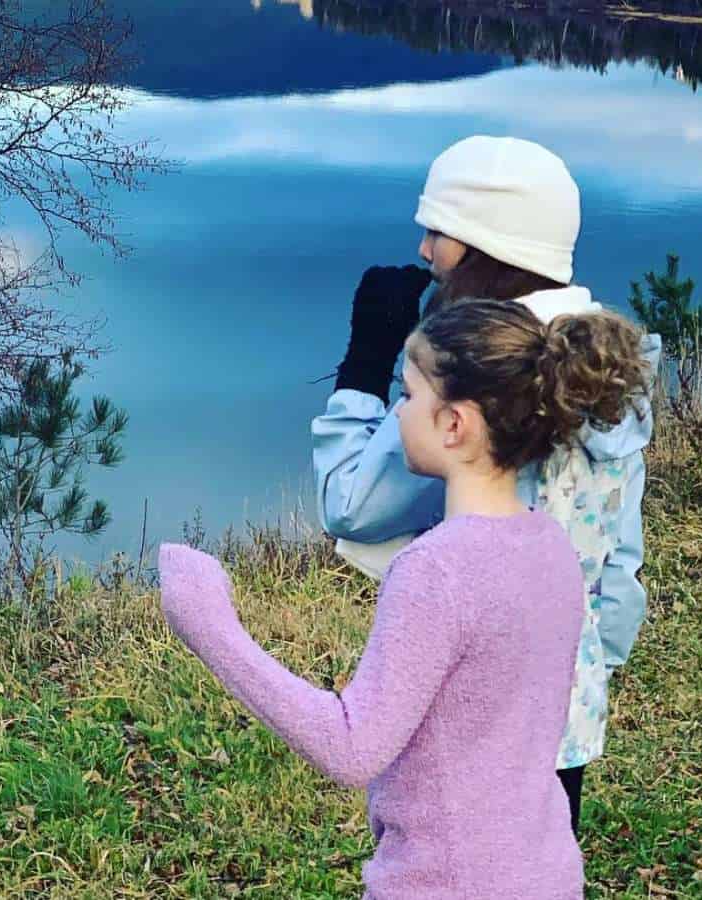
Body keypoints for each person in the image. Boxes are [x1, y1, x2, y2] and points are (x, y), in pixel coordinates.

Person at [160, 298, 650, 899]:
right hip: (547, 872)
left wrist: (210, 625)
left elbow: (351, 746)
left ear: (455, 424)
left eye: (410, 395)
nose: (399, 413)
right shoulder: (549, 546)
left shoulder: (436, 570)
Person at [312, 136, 662, 833]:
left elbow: (351, 506)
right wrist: (588, 667)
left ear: (479, 247)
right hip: (564, 710)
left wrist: (366, 363)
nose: (422, 249)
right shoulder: (603, 368)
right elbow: (618, 574)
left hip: (468, 716)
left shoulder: (476, 371)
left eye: (437, 231)